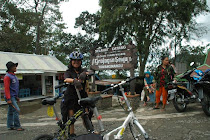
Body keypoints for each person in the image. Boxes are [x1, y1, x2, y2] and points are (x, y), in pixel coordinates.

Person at [62, 51, 90, 138]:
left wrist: (84, 74)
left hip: (82, 96)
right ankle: (71, 134)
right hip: (71, 97)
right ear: (71, 61)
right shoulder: (68, 71)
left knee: (85, 115)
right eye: (74, 60)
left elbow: (90, 72)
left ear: (81, 61)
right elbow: (66, 79)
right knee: (71, 117)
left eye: (78, 61)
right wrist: (74, 81)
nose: (76, 62)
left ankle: (90, 131)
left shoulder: (83, 70)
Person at [4, 61, 24, 131]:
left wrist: (17, 97)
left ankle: (10, 125)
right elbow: (6, 88)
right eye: (14, 66)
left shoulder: (14, 76)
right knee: (16, 110)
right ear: (10, 68)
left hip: (13, 96)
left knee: (10, 111)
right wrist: (8, 99)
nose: (15, 68)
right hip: (10, 97)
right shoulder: (7, 77)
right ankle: (17, 126)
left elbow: (14, 88)